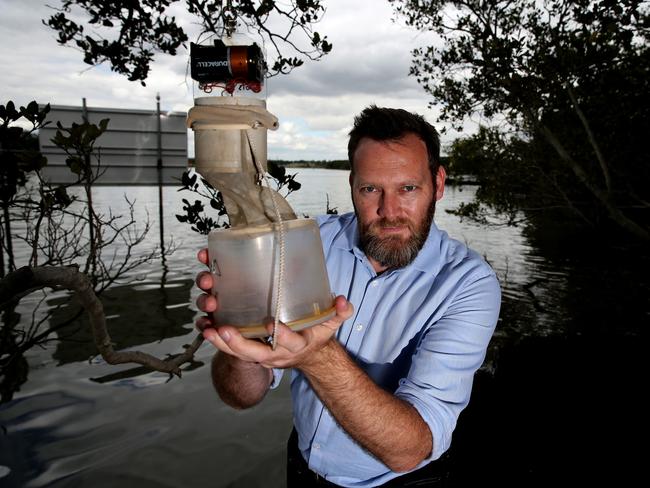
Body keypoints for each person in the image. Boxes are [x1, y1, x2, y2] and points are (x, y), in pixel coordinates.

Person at [194, 106, 501, 487]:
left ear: (438, 184)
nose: (389, 212)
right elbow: (241, 396)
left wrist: (315, 356)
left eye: (408, 188)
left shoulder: (468, 284)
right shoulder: (306, 243)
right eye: (371, 189)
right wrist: (239, 336)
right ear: (352, 184)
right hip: (302, 469)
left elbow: (411, 449)